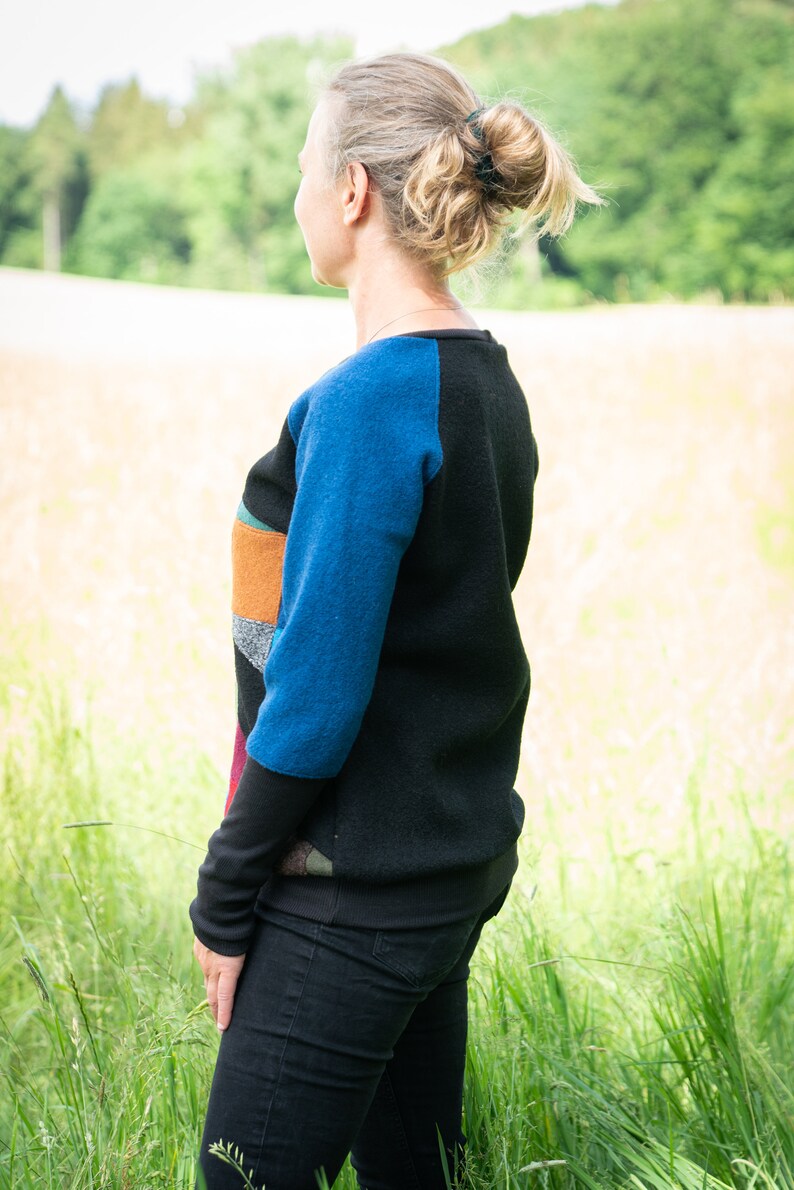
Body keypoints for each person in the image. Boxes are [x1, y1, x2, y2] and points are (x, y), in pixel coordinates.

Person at [189, 50, 602, 1190]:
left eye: (303, 169)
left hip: (354, 888)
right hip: (446, 863)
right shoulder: (485, 379)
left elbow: (316, 696)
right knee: (415, 1172)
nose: (296, 196)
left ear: (353, 191)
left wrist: (225, 894)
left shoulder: (370, 400)